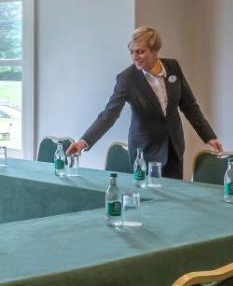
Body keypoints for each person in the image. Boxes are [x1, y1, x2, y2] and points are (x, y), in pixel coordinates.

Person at [67, 26, 222, 181]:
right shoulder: (127, 79)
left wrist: (208, 136)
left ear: (155, 50)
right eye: (132, 52)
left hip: (173, 147)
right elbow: (108, 115)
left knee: (173, 193)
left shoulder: (173, 67)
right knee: (146, 193)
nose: (135, 57)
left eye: (140, 52)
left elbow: (189, 106)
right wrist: (84, 142)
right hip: (144, 151)